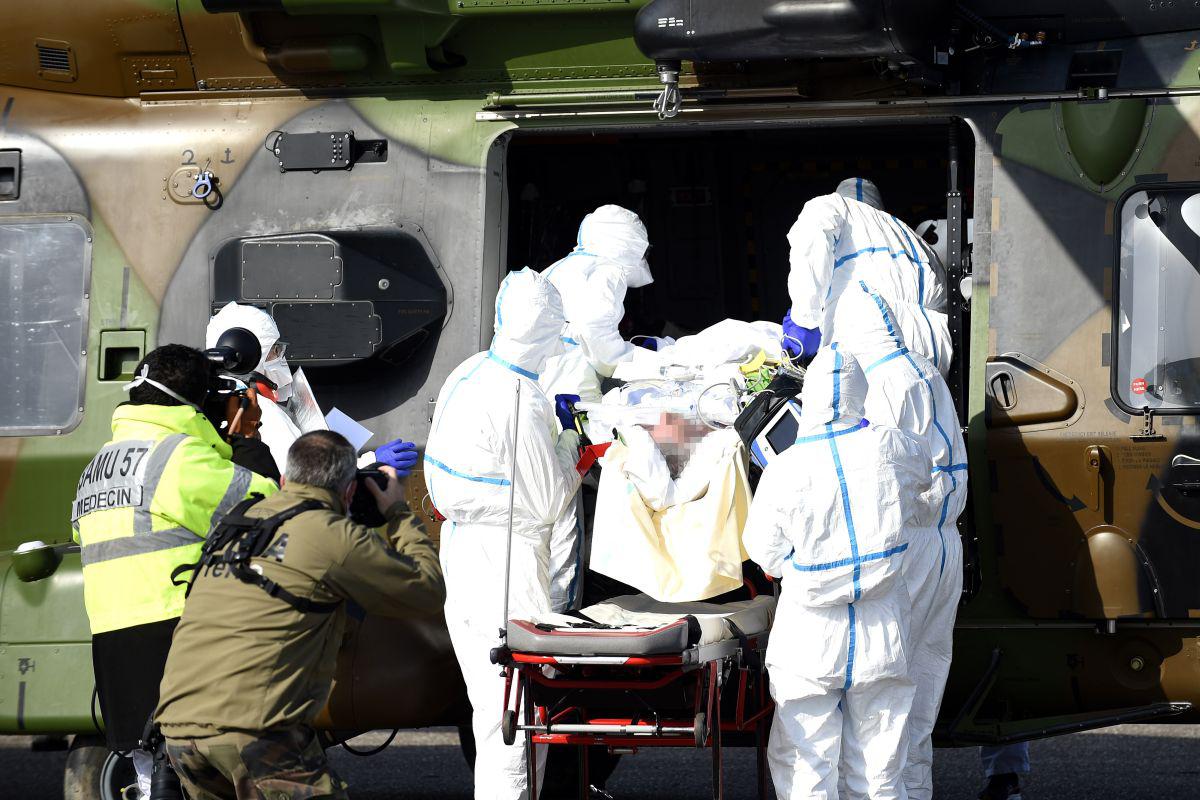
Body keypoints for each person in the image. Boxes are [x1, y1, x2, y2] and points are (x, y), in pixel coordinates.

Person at [156, 430, 445, 800]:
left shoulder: (237, 524)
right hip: (251, 729)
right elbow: (426, 590)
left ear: (283, 480)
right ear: (349, 491)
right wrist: (396, 511)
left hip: (178, 730)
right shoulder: (333, 536)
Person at [71, 344, 279, 798]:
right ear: (197, 402)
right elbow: (267, 504)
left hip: (113, 637)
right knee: (206, 772)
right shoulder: (175, 458)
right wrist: (245, 441)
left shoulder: (99, 463)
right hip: (174, 632)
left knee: (151, 776)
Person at [744, 346, 936, 800]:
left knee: (805, 763)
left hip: (809, 636)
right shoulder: (893, 446)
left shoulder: (785, 468)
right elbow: (926, 478)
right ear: (860, 394)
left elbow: (764, 552)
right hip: (882, 631)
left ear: (807, 398)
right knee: (880, 765)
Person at [425, 268, 582, 800]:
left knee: (491, 710)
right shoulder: (521, 397)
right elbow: (546, 499)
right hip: (507, 566)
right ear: (547, 336)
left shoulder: (469, 371)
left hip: (466, 558)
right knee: (515, 717)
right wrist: (570, 441)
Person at [832, 281, 968, 800]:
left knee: (885, 693)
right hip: (940, 544)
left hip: (908, 547)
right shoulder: (921, 369)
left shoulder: (884, 382)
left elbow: (884, 472)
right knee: (920, 695)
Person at [782, 178, 950, 376]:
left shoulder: (834, 206)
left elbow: (812, 246)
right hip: (934, 348)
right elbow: (944, 298)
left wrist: (804, 321)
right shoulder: (916, 240)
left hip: (870, 338)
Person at [539, 204, 654, 403]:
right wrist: (636, 360)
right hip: (571, 375)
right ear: (629, 244)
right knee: (579, 428)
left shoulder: (561, 267)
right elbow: (594, 330)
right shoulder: (608, 271)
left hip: (544, 370)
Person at [206, 302, 303, 474]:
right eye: (275, 350)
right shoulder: (263, 412)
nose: (280, 357)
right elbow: (302, 479)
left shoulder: (203, 402)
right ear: (255, 355)